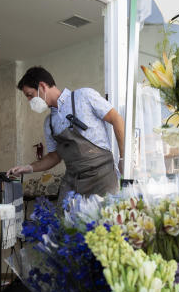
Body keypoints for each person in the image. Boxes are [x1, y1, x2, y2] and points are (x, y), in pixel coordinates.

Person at [8, 66, 125, 197]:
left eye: (30, 95)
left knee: (103, 216)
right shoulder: (49, 123)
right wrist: (28, 168)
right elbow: (54, 156)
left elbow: (116, 119)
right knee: (63, 216)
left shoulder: (84, 96)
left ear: (42, 86)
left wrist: (123, 158)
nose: (29, 101)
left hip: (102, 176)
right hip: (73, 180)